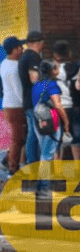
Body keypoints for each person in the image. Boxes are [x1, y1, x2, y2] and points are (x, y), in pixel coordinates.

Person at [32, 60, 70, 198]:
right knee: (47, 156)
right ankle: (43, 188)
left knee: (44, 153)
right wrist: (66, 121)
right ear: (51, 71)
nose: (57, 70)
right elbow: (58, 104)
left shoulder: (37, 84)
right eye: (55, 68)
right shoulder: (52, 85)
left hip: (38, 121)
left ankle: (42, 187)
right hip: (50, 122)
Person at [52, 41, 80, 163]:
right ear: (68, 53)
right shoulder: (75, 67)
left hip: (56, 108)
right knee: (75, 138)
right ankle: (78, 168)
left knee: (57, 139)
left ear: (55, 54)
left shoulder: (50, 69)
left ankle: (57, 171)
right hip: (72, 107)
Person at [18, 31, 44, 165]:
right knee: (37, 134)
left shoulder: (23, 57)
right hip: (35, 101)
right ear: (38, 43)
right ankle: (35, 164)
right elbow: (34, 79)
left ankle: (31, 163)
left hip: (28, 100)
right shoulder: (33, 57)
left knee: (32, 133)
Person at [1, 36, 25, 173]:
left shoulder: (4, 63)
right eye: (20, 47)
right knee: (17, 139)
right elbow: (18, 89)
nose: (22, 49)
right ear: (14, 50)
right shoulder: (15, 67)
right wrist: (26, 105)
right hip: (16, 106)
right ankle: (12, 169)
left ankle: (7, 160)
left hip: (8, 105)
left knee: (19, 137)